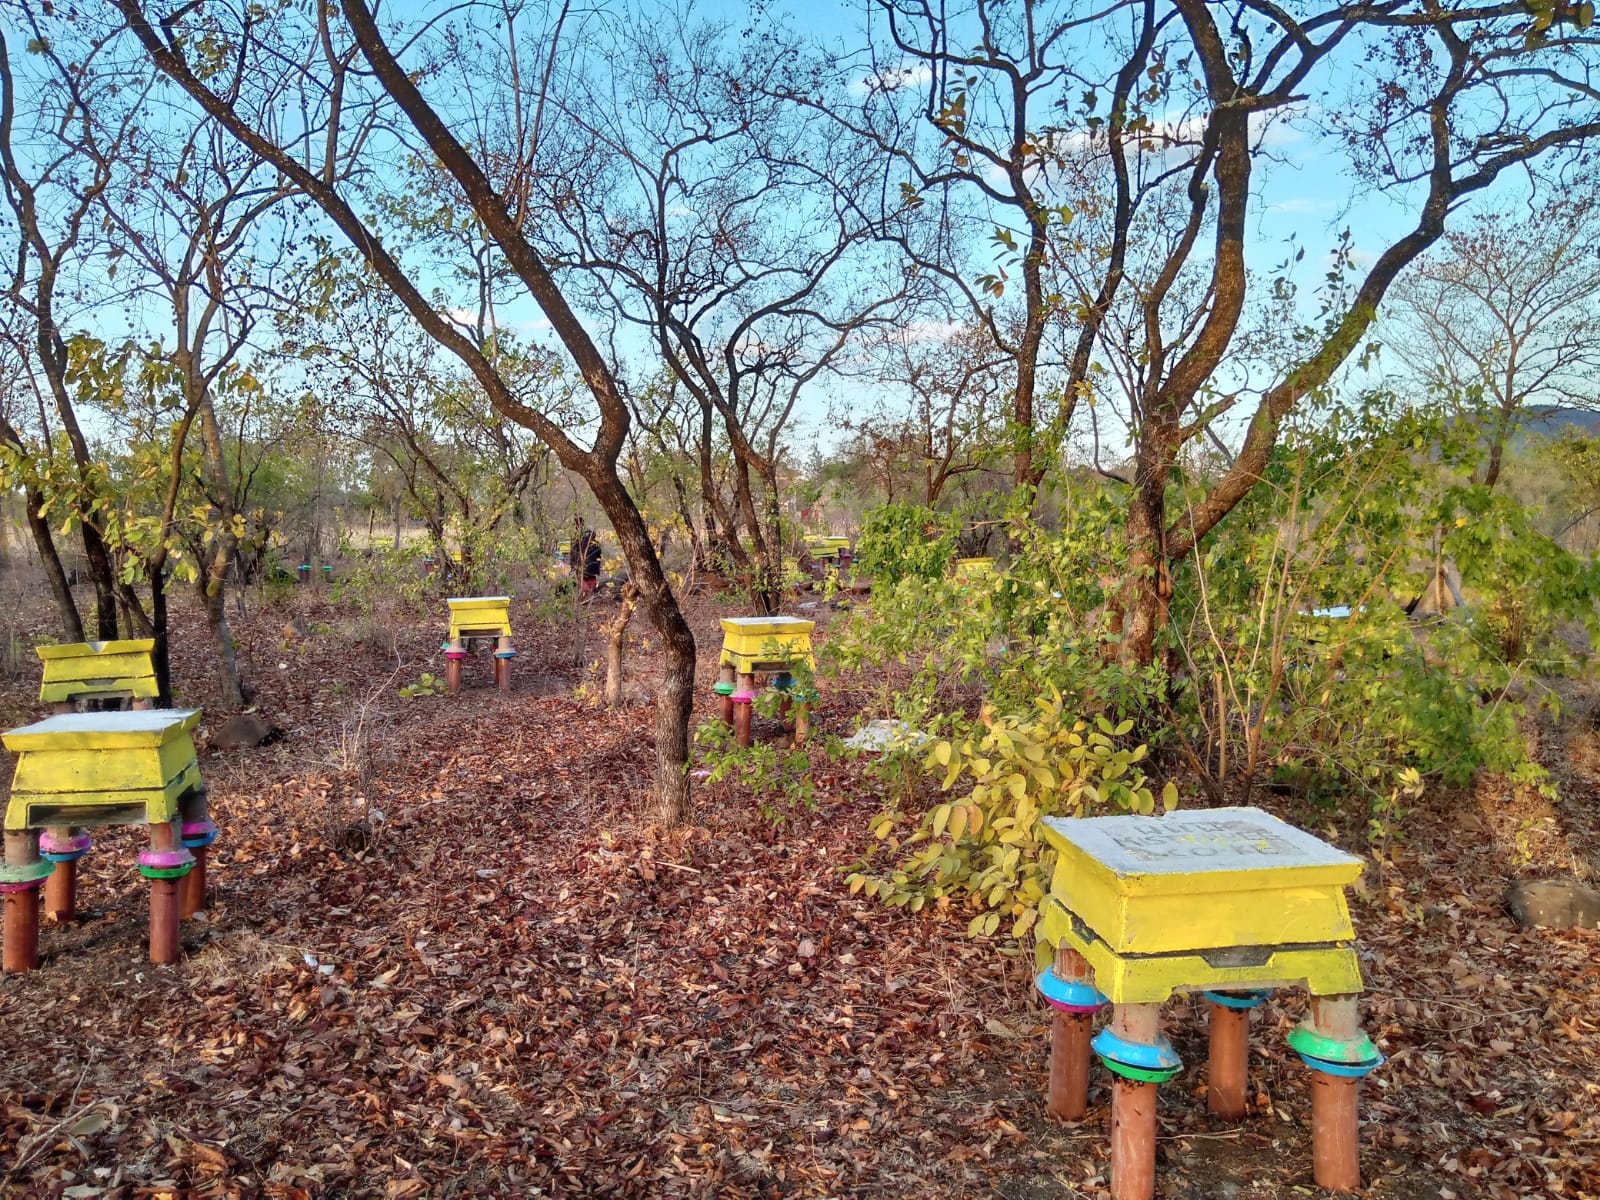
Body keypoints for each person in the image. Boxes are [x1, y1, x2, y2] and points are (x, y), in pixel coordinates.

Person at [570, 519, 602, 596]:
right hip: (590, 568)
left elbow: (573, 554)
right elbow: (599, 556)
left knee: (586, 586)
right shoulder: (591, 541)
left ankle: (588, 595)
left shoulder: (577, 540)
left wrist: (573, 565)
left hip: (585, 568)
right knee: (588, 586)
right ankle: (588, 595)